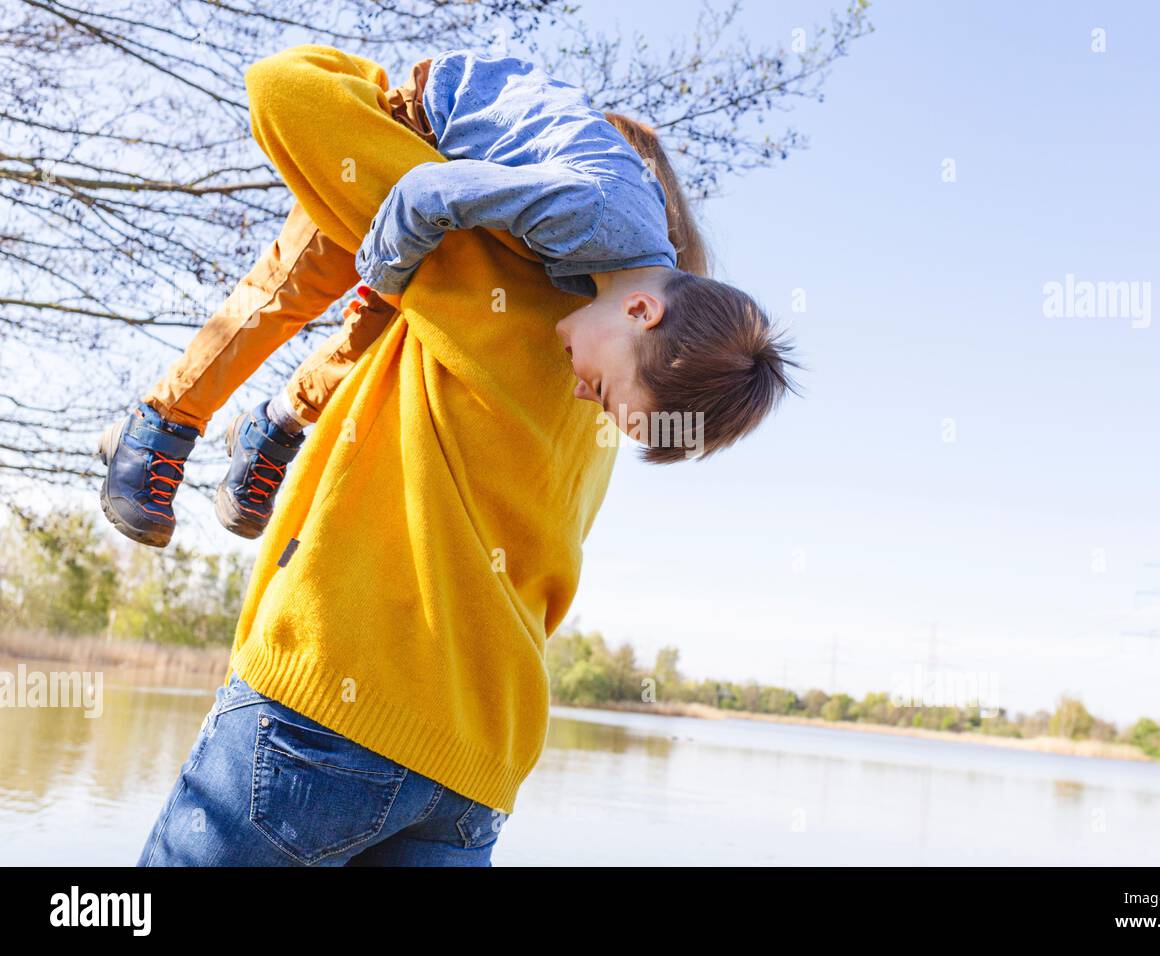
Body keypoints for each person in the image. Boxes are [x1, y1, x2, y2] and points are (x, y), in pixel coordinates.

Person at [134, 44, 800, 866]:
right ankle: (257, 425)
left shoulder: (498, 267)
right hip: (475, 771)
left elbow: (283, 90)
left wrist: (412, 104)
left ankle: (187, 423)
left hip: (337, 706)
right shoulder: (613, 409)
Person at [99, 48, 798, 548]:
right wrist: (388, 281)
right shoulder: (595, 215)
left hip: (456, 201)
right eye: (609, 394)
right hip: (417, 132)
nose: (588, 399)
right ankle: (162, 421)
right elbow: (428, 193)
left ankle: (271, 427)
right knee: (291, 289)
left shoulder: (626, 273)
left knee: (376, 332)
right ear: (643, 313)